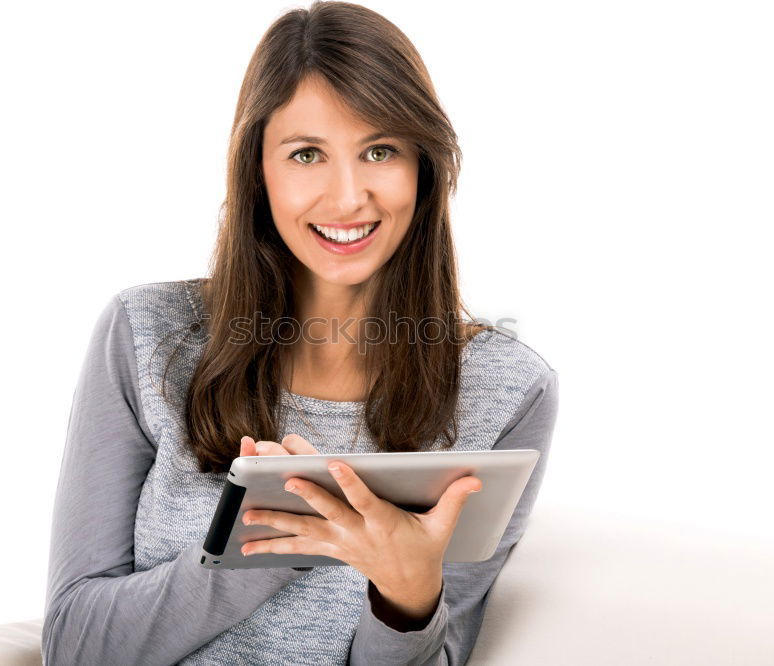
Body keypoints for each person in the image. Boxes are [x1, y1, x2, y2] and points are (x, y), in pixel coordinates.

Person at [41, 2, 559, 664]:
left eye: (380, 150)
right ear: (258, 170)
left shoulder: (508, 387)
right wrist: (260, 549)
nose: (347, 197)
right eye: (307, 153)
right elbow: (73, 647)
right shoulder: (146, 336)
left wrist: (406, 599)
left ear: (424, 168)